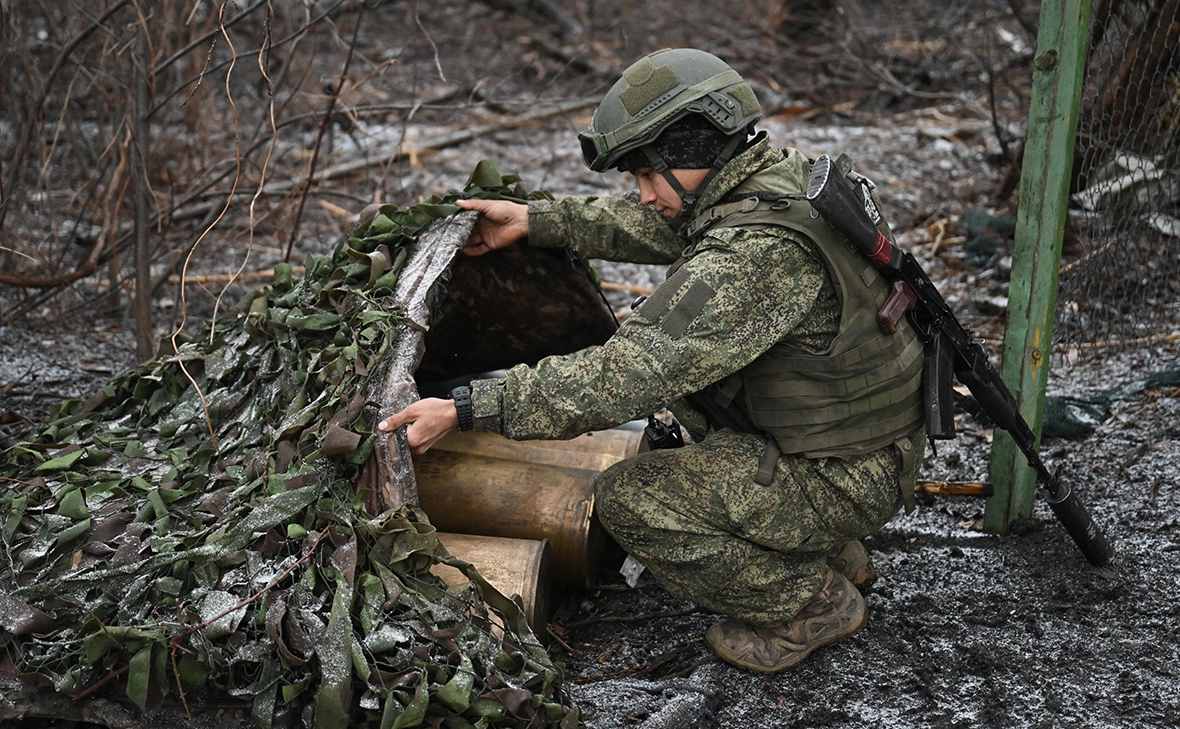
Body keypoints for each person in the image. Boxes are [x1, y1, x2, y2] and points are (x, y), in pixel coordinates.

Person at [378, 47, 925, 674]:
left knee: (632, 499)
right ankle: (825, 542)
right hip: (857, 439)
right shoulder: (777, 181)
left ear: (691, 157)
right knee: (706, 406)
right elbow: (663, 228)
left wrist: (469, 407)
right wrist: (537, 220)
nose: (641, 196)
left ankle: (809, 603)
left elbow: (627, 374)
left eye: (645, 176)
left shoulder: (753, 256)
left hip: (846, 467)